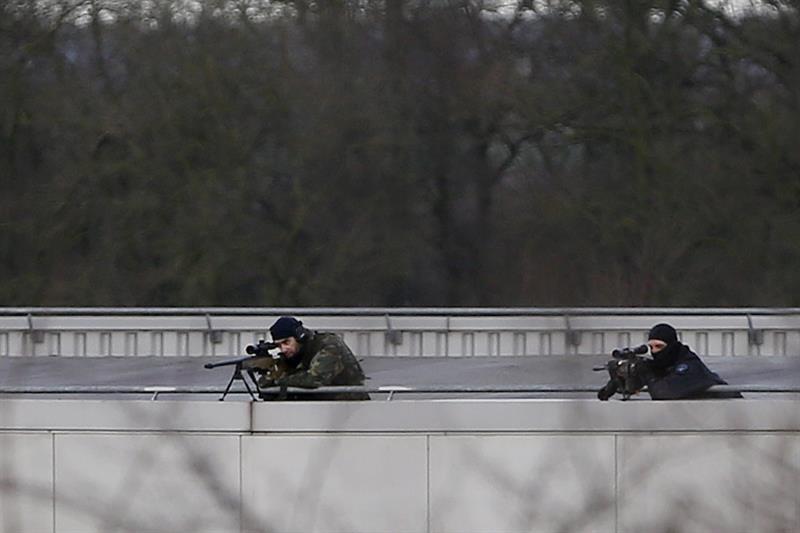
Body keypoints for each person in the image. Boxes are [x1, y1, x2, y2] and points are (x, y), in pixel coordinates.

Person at [246, 316, 369, 401]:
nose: (283, 349)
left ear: (299, 336)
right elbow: (264, 385)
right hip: (320, 413)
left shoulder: (329, 345)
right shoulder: (292, 357)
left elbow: (315, 378)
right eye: (278, 345)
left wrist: (279, 380)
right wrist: (271, 373)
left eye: (286, 342)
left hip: (353, 410)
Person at [642, 322, 728, 399]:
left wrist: (647, 374)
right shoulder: (669, 364)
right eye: (651, 347)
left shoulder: (690, 366)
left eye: (659, 346)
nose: (654, 351)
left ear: (671, 345)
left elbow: (663, 392)